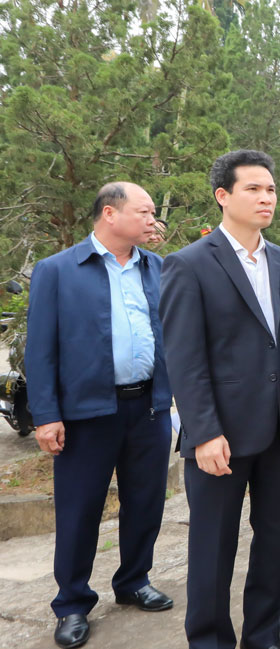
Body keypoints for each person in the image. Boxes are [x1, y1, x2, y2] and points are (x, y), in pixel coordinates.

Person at [159, 150, 280, 649]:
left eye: (271, 189)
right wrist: (204, 431)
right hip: (221, 435)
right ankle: (210, 640)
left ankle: (263, 635)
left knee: (274, 540)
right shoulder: (189, 264)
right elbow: (184, 359)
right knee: (213, 547)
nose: (266, 197)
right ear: (223, 196)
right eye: (253, 188)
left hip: (279, 428)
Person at [26, 182, 175, 649]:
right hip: (87, 413)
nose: (153, 220)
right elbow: (40, 349)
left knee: (146, 502)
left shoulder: (157, 268)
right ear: (110, 214)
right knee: (79, 509)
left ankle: (134, 580)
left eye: (153, 213)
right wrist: (46, 415)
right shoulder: (58, 270)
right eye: (144, 212)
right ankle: (72, 602)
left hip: (148, 407)